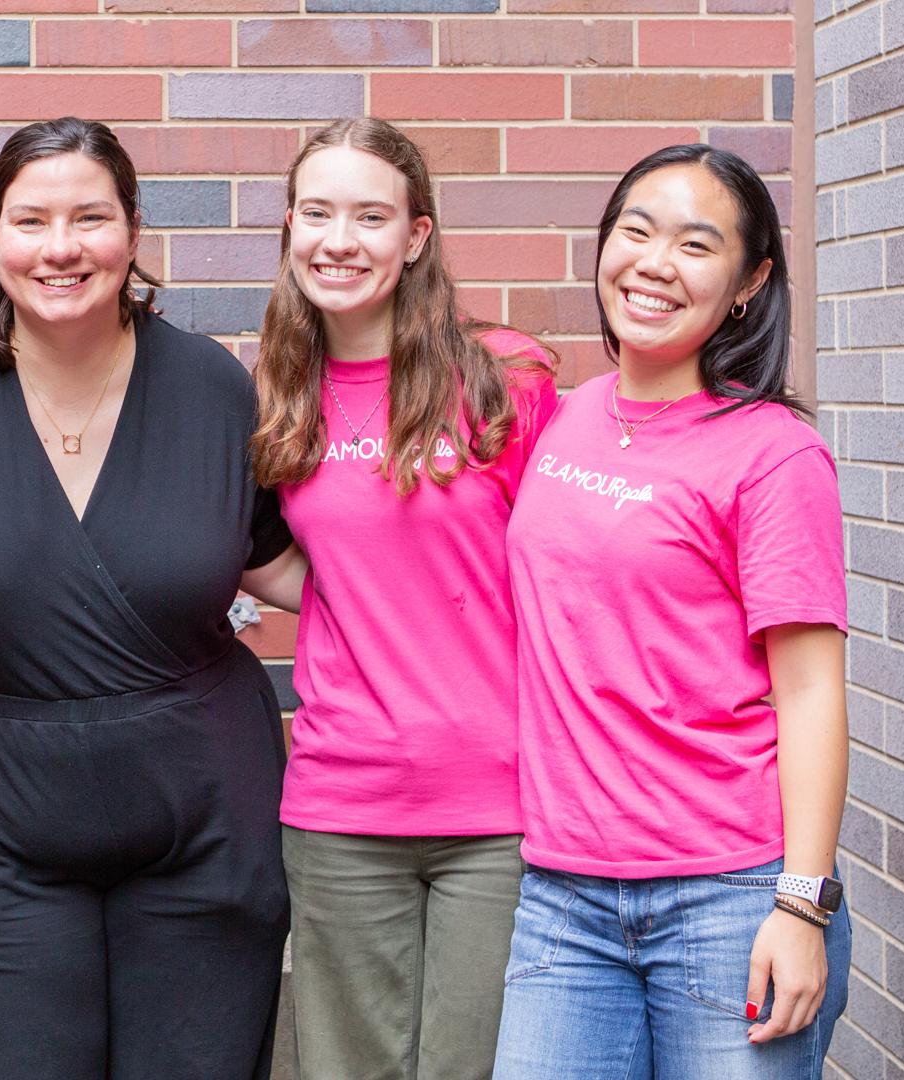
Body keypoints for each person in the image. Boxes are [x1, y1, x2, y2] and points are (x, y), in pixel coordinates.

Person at [0, 116, 308, 1080]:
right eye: (31, 220)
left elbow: (297, 569)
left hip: (204, 829)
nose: (60, 247)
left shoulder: (210, 386)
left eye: (89, 218)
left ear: (134, 231)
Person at [493, 144, 851, 1078]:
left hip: (726, 896)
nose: (653, 264)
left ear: (747, 281)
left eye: (696, 244)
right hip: (563, 894)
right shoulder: (570, 416)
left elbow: (809, 691)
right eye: (635, 232)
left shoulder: (772, 455)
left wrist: (800, 906)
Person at [252, 118, 558, 1080]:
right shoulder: (279, 390)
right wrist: (358, 602)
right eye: (317, 212)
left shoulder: (504, 376)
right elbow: (263, 555)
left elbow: (569, 567)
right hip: (343, 808)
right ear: (291, 225)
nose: (338, 240)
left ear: (415, 235)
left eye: (370, 216)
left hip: (500, 810)